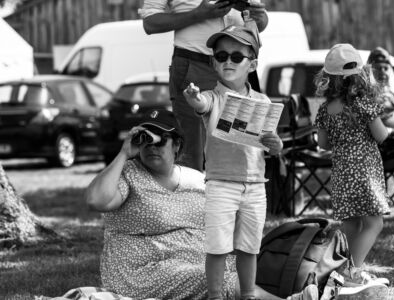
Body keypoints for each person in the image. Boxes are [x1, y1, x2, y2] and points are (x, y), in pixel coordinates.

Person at [85, 109, 300, 300]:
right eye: (145, 140)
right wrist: (124, 153)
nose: (152, 146)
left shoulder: (196, 177)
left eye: (161, 139)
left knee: (263, 266)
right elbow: (96, 200)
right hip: (142, 272)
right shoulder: (128, 174)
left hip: (198, 261)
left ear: (176, 145)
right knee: (218, 281)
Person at [183, 26, 283, 300]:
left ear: (252, 65)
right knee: (217, 247)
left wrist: (277, 145)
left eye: (236, 57)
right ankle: (216, 296)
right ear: (214, 62)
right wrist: (194, 99)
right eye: (222, 55)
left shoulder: (262, 101)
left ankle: (248, 294)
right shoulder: (213, 97)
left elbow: (272, 143)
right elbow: (201, 104)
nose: (228, 61)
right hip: (220, 182)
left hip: (254, 185)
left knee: (250, 247)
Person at [139, 0, 268, 172]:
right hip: (195, 63)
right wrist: (199, 14)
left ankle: (239, 197)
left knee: (245, 148)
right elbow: (150, 23)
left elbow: (261, 21)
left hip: (240, 63)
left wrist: (259, 15)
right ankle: (193, 199)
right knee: (192, 154)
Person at [313, 44, 390, 294]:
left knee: (351, 225)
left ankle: (343, 271)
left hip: (343, 172)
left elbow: (323, 143)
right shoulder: (364, 104)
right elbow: (381, 136)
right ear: (360, 75)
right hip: (365, 171)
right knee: (373, 223)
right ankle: (351, 273)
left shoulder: (325, 109)